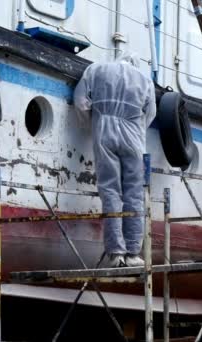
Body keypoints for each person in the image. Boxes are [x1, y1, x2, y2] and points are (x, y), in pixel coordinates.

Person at [73, 52, 157, 267]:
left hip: (104, 129)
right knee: (134, 193)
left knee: (110, 189)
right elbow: (151, 113)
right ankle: (133, 254)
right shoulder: (145, 80)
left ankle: (116, 252)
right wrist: (136, 130)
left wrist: (91, 126)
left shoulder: (96, 69)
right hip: (133, 135)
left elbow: (81, 102)